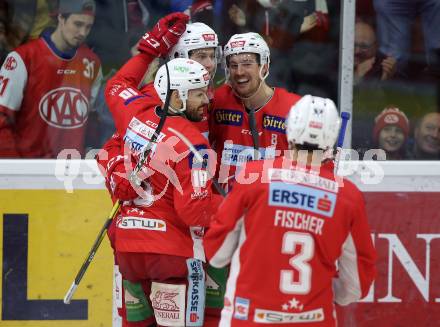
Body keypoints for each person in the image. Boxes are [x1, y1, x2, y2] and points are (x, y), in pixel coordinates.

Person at [204, 95, 377, 326]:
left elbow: (216, 255)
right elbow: (355, 286)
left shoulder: (253, 177)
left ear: (291, 129)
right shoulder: (349, 196)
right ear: (332, 137)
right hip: (314, 319)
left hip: (248, 318)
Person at [0, 0, 101, 158]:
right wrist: (16, 168)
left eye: (88, 27)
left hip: (70, 172)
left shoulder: (92, 63)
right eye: (78, 24)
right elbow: (2, 118)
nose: (83, 32)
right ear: (61, 18)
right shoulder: (23, 58)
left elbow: (92, 119)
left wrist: (89, 155)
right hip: (28, 168)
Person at [209, 32, 301, 192]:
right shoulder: (216, 100)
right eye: (233, 65)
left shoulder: (295, 109)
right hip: (223, 208)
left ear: (264, 67)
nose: (239, 72)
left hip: (269, 208)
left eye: (247, 64)